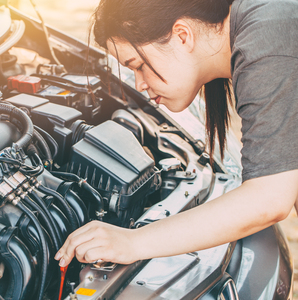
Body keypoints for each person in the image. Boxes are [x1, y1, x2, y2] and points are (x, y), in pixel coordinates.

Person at [54, 0, 298, 267]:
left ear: (182, 35)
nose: (140, 84)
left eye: (137, 65)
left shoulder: (266, 42)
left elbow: (269, 198)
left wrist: (134, 242)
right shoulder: (257, 24)